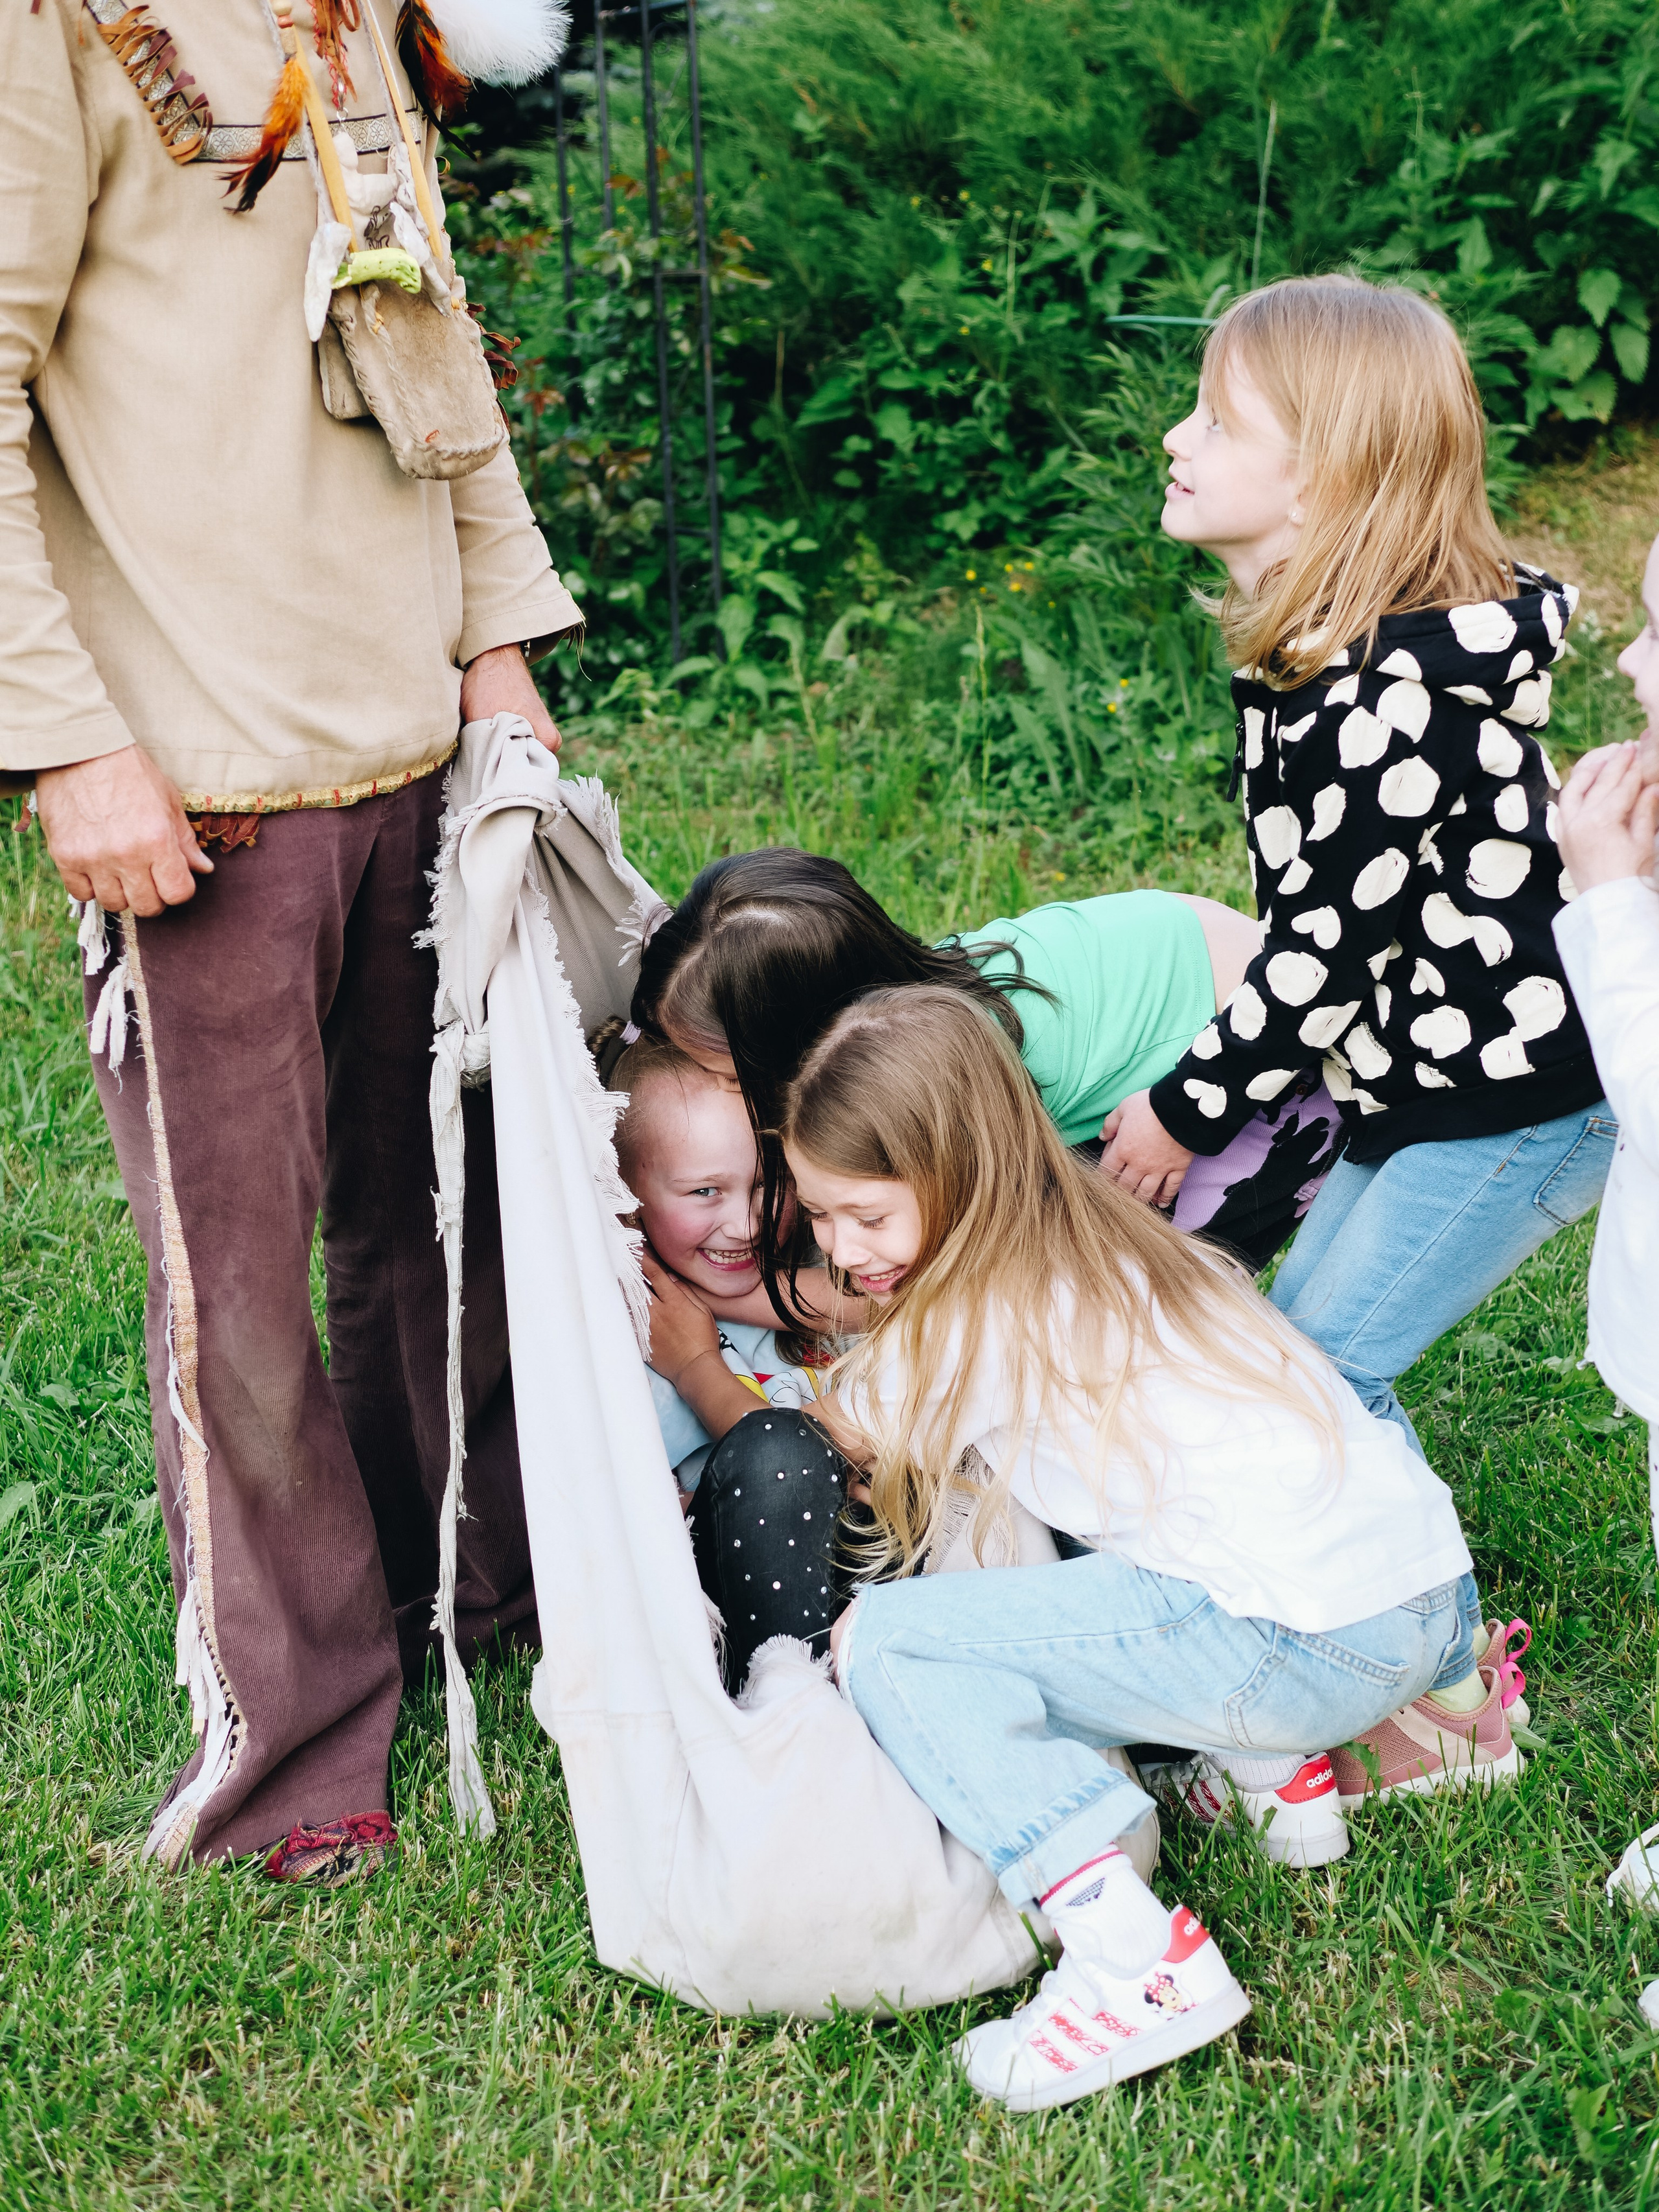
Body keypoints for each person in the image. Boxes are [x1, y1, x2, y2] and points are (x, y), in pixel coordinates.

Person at [3, 0, 579, 1879]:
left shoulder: (359, 13)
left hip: (418, 745)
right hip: (204, 785)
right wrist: (72, 740)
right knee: (238, 1296)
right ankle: (307, 1737)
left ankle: (476, 1600)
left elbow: (438, 345)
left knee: (445, 1227)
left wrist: (496, 640)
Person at [782, 987, 1514, 2112]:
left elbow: (850, 1427)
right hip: (1414, 1609)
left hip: (1299, 1646)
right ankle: (1285, 1777)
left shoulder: (969, 1313)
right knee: (1141, 1547)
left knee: (894, 1642)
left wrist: (699, 1348)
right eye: (820, 1217)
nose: (841, 1247)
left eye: (867, 1218)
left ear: (956, 1171)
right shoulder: (1107, 1239)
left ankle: (1132, 1959)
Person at [1099, 274, 1613, 1455]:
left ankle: (1425, 1636)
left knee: (1326, 1376)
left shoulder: (1383, 703)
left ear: (1325, 477)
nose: (1177, 437)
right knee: (1299, 1350)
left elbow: (1321, 953)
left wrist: (1185, 1110)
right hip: (1425, 1079)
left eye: (1219, 422)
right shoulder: (1327, 663)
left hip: (1522, 1095)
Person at [630, 850, 1344, 1289]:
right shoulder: (903, 996)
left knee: (1125, 1291)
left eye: (726, 1075)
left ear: (802, 1042)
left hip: (1263, 1073)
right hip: (1199, 968)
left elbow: (963, 1259)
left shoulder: (952, 1072)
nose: (722, 1092)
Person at [605, 1026, 865, 1688]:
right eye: (703, 1192)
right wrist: (697, 1367)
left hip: (875, 1566)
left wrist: (746, 1297)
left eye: (765, 1182)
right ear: (627, 1205)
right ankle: (792, 1699)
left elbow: (910, 1299)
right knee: (780, 1454)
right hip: (748, 1583)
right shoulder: (646, 1347)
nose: (747, 1223)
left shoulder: (825, 1258)